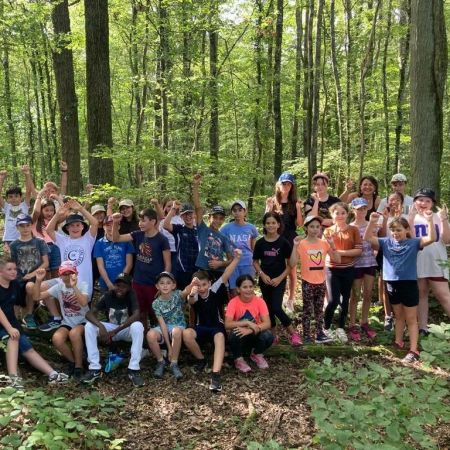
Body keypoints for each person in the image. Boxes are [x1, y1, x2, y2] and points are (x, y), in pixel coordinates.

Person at [364, 211, 436, 363]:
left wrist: (429, 220)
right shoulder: (386, 242)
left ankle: (414, 350)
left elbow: (432, 238)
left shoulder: (414, 243)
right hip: (391, 283)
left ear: (407, 230)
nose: (395, 233)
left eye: (399, 230)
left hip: (408, 284)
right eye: (393, 230)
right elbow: (367, 238)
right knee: (398, 316)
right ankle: (399, 341)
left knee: (411, 318)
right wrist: (372, 221)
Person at [0, 258, 68, 387]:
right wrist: (10, 328)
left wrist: (38, 280)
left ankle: (53, 374)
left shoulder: (14, 284)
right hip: (3, 325)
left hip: (11, 322)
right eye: (9, 269)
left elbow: (22, 302)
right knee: (13, 338)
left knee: (28, 349)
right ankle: (14, 379)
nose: (14, 272)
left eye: (15, 269)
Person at [183, 248, 242, 392]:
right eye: (199, 285)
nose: (202, 288)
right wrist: (192, 291)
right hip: (201, 328)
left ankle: (216, 375)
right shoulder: (194, 294)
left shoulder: (214, 289)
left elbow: (227, 273)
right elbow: (190, 301)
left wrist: (237, 258)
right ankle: (201, 360)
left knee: (220, 337)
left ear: (209, 283)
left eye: (204, 285)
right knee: (187, 334)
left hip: (216, 327)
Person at [43, 199, 98, 330]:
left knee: (82, 319)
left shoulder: (87, 239)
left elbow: (95, 223)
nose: (75, 228)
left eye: (78, 225)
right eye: (71, 226)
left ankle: (82, 338)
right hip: (64, 280)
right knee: (39, 287)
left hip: (82, 284)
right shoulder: (63, 240)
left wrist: (80, 209)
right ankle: (56, 317)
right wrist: (58, 214)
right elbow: (49, 229)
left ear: (83, 227)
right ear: (67, 228)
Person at [82, 273, 145, 387]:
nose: (120, 289)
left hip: (125, 330)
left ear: (129, 287)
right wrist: (101, 327)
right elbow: (89, 314)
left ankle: (134, 369)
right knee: (89, 326)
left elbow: (136, 315)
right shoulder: (108, 295)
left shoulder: (132, 294)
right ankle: (94, 368)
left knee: (138, 326)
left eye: (123, 286)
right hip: (110, 329)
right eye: (118, 285)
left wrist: (115, 331)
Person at [112, 208, 170, 329]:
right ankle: (144, 340)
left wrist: (164, 285)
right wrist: (115, 223)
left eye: (143, 221)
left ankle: (160, 340)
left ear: (153, 221)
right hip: (138, 283)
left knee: (156, 314)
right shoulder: (138, 234)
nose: (140, 223)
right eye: (139, 220)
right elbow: (116, 238)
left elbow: (168, 264)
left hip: (154, 284)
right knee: (140, 313)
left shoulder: (162, 240)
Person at [253, 212, 301, 346]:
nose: (271, 225)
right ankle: (274, 336)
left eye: (273, 223)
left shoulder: (283, 242)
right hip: (265, 281)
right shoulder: (260, 243)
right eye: (268, 223)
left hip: (279, 281)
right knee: (268, 309)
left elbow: (290, 265)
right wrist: (262, 274)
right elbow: (255, 261)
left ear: (278, 224)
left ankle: (293, 334)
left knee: (276, 307)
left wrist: (280, 278)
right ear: (264, 225)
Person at [289, 216, 340, 344]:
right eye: (312, 226)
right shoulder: (301, 243)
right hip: (307, 281)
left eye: (318, 227)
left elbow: (337, 260)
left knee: (319, 309)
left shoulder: (324, 243)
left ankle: (319, 333)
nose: (315, 229)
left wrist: (332, 244)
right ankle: (306, 335)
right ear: (306, 227)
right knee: (307, 310)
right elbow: (292, 262)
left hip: (321, 282)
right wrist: (295, 246)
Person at [34, 262, 89, 379]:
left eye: (71, 273)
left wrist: (74, 286)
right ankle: (73, 362)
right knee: (57, 338)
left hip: (83, 321)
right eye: (65, 274)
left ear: (76, 274)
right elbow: (36, 297)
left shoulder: (83, 285)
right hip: (67, 322)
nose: (68, 276)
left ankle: (79, 367)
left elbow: (84, 302)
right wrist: (38, 281)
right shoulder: (59, 287)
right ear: (60, 275)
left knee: (74, 334)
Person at [410, 189, 450, 335]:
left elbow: (446, 240)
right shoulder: (410, 218)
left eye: (428, 201)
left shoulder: (439, 217)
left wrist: (444, 219)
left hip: (437, 262)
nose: (424, 203)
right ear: (415, 202)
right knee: (421, 294)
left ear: (433, 203)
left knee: (443, 295)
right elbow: (408, 240)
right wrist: (410, 217)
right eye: (420, 200)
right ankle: (423, 328)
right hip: (417, 262)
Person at [322, 202, 362, 342]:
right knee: (333, 300)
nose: (339, 216)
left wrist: (340, 252)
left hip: (348, 269)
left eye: (343, 213)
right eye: (336, 213)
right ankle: (325, 328)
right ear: (332, 215)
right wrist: (336, 253)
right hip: (332, 270)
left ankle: (341, 328)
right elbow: (326, 251)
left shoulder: (353, 230)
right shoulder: (327, 231)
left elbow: (358, 250)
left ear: (347, 214)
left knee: (346, 299)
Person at [147, 271, 197, 380]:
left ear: (173, 285)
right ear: (157, 286)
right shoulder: (156, 303)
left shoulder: (177, 295)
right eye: (162, 283)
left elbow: (186, 291)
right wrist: (169, 348)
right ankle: (161, 361)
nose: (165, 285)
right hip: (164, 328)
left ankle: (174, 363)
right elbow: (162, 325)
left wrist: (193, 283)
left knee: (176, 331)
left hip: (178, 326)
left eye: (168, 283)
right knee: (150, 334)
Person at [265, 172, 303, 311]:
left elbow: (300, 224)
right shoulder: (273, 201)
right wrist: (269, 207)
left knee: (292, 269)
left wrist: (299, 208)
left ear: (292, 186)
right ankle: (276, 297)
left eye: (289, 183)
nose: (286, 186)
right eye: (283, 183)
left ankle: (291, 299)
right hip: (276, 238)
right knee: (277, 268)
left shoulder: (294, 202)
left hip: (291, 238)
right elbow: (267, 220)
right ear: (278, 185)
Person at [225, 275, 273, 373]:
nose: (248, 290)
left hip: (254, 334)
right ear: (238, 289)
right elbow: (227, 324)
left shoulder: (260, 301)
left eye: (251, 287)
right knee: (234, 333)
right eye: (245, 287)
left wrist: (250, 330)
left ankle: (257, 354)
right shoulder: (233, 302)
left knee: (268, 335)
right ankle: (238, 359)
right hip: (240, 338)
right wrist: (246, 322)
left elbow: (268, 323)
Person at [10, 214, 50, 330]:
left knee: (30, 286)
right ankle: (14, 320)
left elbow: (45, 263)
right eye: (22, 226)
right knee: (15, 291)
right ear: (17, 227)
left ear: (31, 226)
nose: (25, 228)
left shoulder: (39, 242)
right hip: (19, 276)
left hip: (36, 276)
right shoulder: (14, 245)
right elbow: (13, 264)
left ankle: (29, 315)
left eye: (27, 225)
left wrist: (32, 275)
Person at [192, 174, 232, 281]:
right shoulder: (202, 229)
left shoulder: (224, 237)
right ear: (209, 217)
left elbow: (231, 259)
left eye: (221, 218)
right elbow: (198, 207)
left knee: (218, 297)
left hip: (219, 273)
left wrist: (220, 263)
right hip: (203, 271)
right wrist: (195, 186)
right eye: (215, 217)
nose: (217, 221)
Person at [348, 198, 377, 341]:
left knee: (368, 294)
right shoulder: (349, 227)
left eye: (364, 208)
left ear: (367, 209)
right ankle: (352, 324)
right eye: (358, 209)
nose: (361, 211)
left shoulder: (372, 225)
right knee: (355, 295)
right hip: (356, 264)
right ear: (353, 210)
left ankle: (364, 322)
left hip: (370, 262)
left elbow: (376, 243)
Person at [220, 200, 258, 297]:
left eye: (240, 210)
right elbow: (221, 244)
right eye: (234, 210)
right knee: (234, 290)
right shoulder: (226, 228)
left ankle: (249, 311)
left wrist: (256, 262)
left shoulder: (251, 228)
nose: (237, 213)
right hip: (233, 264)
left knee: (248, 290)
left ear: (245, 211)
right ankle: (236, 311)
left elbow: (254, 248)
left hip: (248, 262)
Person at [93, 215, 134, 292]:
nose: (111, 227)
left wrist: (120, 281)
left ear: (118, 226)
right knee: (108, 303)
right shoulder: (99, 243)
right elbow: (100, 266)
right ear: (103, 227)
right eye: (108, 225)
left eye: (114, 225)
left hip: (123, 282)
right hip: (106, 283)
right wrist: (109, 284)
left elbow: (129, 264)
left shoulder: (126, 241)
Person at [163, 201, 199, 290]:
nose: (188, 216)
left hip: (196, 270)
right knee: (182, 296)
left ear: (194, 214)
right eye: (185, 214)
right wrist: (173, 208)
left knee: (194, 296)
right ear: (181, 216)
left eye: (190, 213)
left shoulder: (198, 230)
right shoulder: (179, 229)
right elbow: (165, 225)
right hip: (182, 270)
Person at [0, 166, 34, 249]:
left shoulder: (24, 205)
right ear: (7, 198)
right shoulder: (7, 207)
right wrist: (1, 179)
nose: (14, 198)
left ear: (20, 197)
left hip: (24, 238)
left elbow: (29, 191)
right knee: (10, 260)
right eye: (10, 197)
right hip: (9, 239)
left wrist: (27, 175)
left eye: (16, 196)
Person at [31, 194, 61, 279]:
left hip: (55, 247)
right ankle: (44, 291)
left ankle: (55, 291)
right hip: (42, 247)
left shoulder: (54, 221)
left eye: (52, 210)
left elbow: (63, 212)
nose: (49, 213)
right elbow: (36, 211)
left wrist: (58, 198)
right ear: (41, 210)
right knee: (45, 272)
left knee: (56, 271)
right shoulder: (35, 220)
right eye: (46, 210)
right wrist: (39, 196)